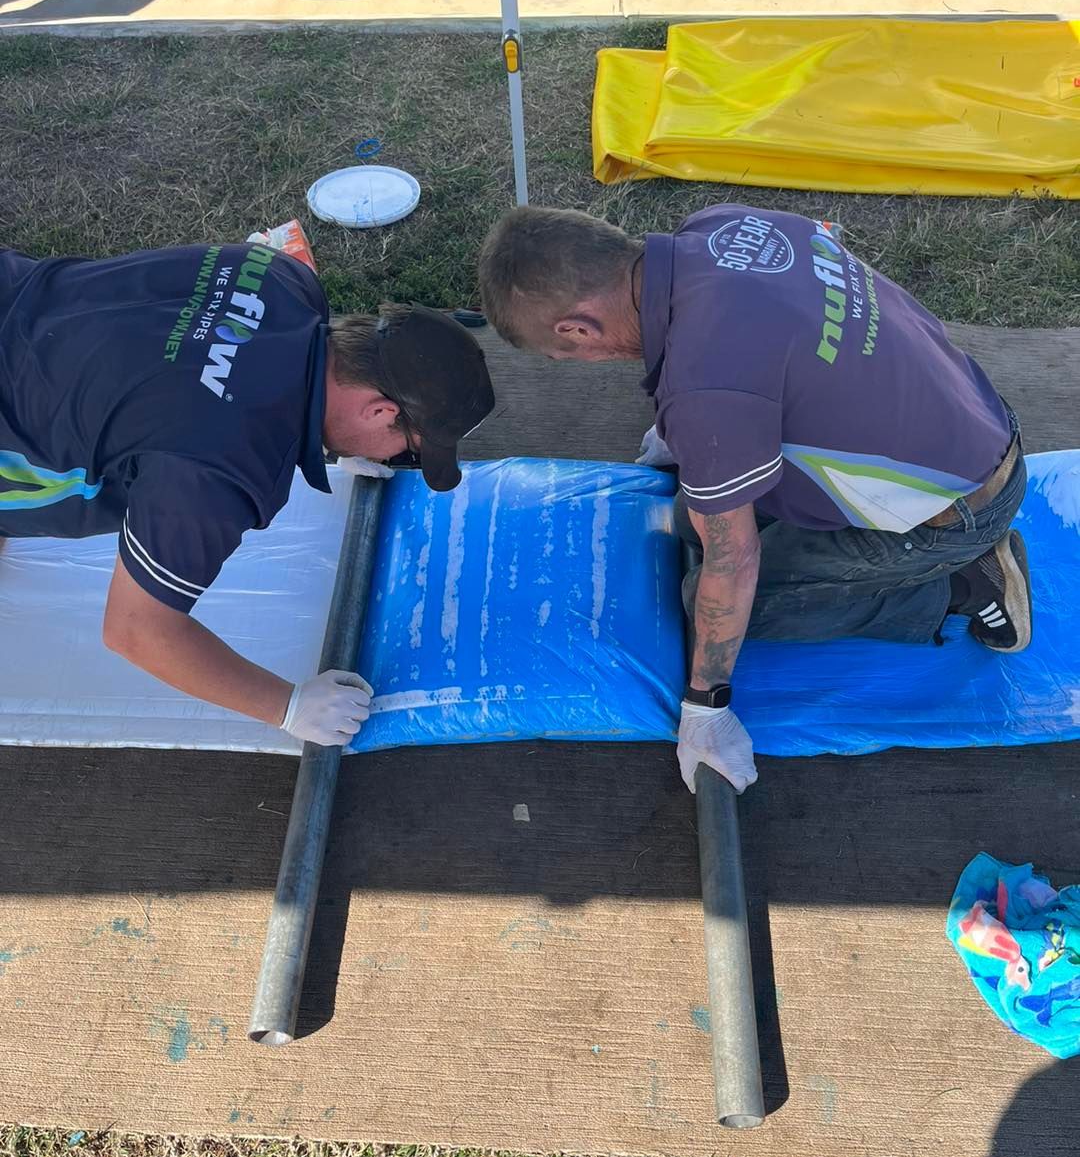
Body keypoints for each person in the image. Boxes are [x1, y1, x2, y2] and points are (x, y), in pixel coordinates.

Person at [478, 205, 1031, 795]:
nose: (577, 363)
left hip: (956, 508)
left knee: (710, 603)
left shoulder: (705, 388)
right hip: (973, 417)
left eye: (562, 356)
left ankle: (960, 587)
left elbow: (734, 560)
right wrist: (694, 432)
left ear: (578, 330)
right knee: (691, 518)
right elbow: (776, 335)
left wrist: (706, 707)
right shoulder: (719, 227)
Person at [0, 241, 494, 745]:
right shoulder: (224, 466)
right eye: (406, 451)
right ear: (379, 412)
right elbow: (137, 629)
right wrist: (287, 706)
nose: (396, 459)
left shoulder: (281, 276)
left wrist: (334, 441)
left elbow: (214, 368)